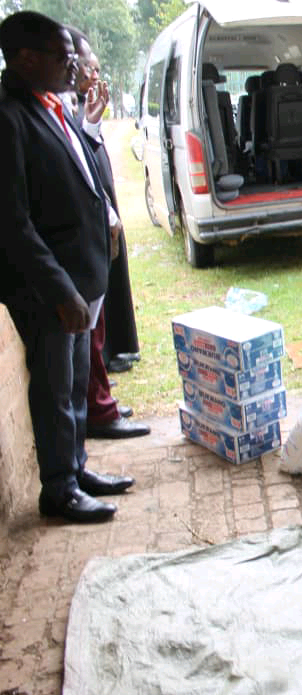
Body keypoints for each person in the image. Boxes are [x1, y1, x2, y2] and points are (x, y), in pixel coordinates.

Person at [0, 11, 136, 523]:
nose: (72, 65)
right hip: (49, 286)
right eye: (63, 56)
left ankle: (76, 467)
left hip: (83, 272)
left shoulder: (54, 105)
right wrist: (59, 289)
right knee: (55, 387)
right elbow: (12, 222)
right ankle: (58, 488)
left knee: (75, 381)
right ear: (26, 58)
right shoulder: (9, 117)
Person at [67, 27, 150, 439]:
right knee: (79, 344)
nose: (87, 74)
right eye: (85, 65)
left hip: (94, 235)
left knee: (92, 338)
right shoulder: (31, 113)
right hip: (71, 247)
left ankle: (99, 403)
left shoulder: (72, 110)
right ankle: (97, 412)